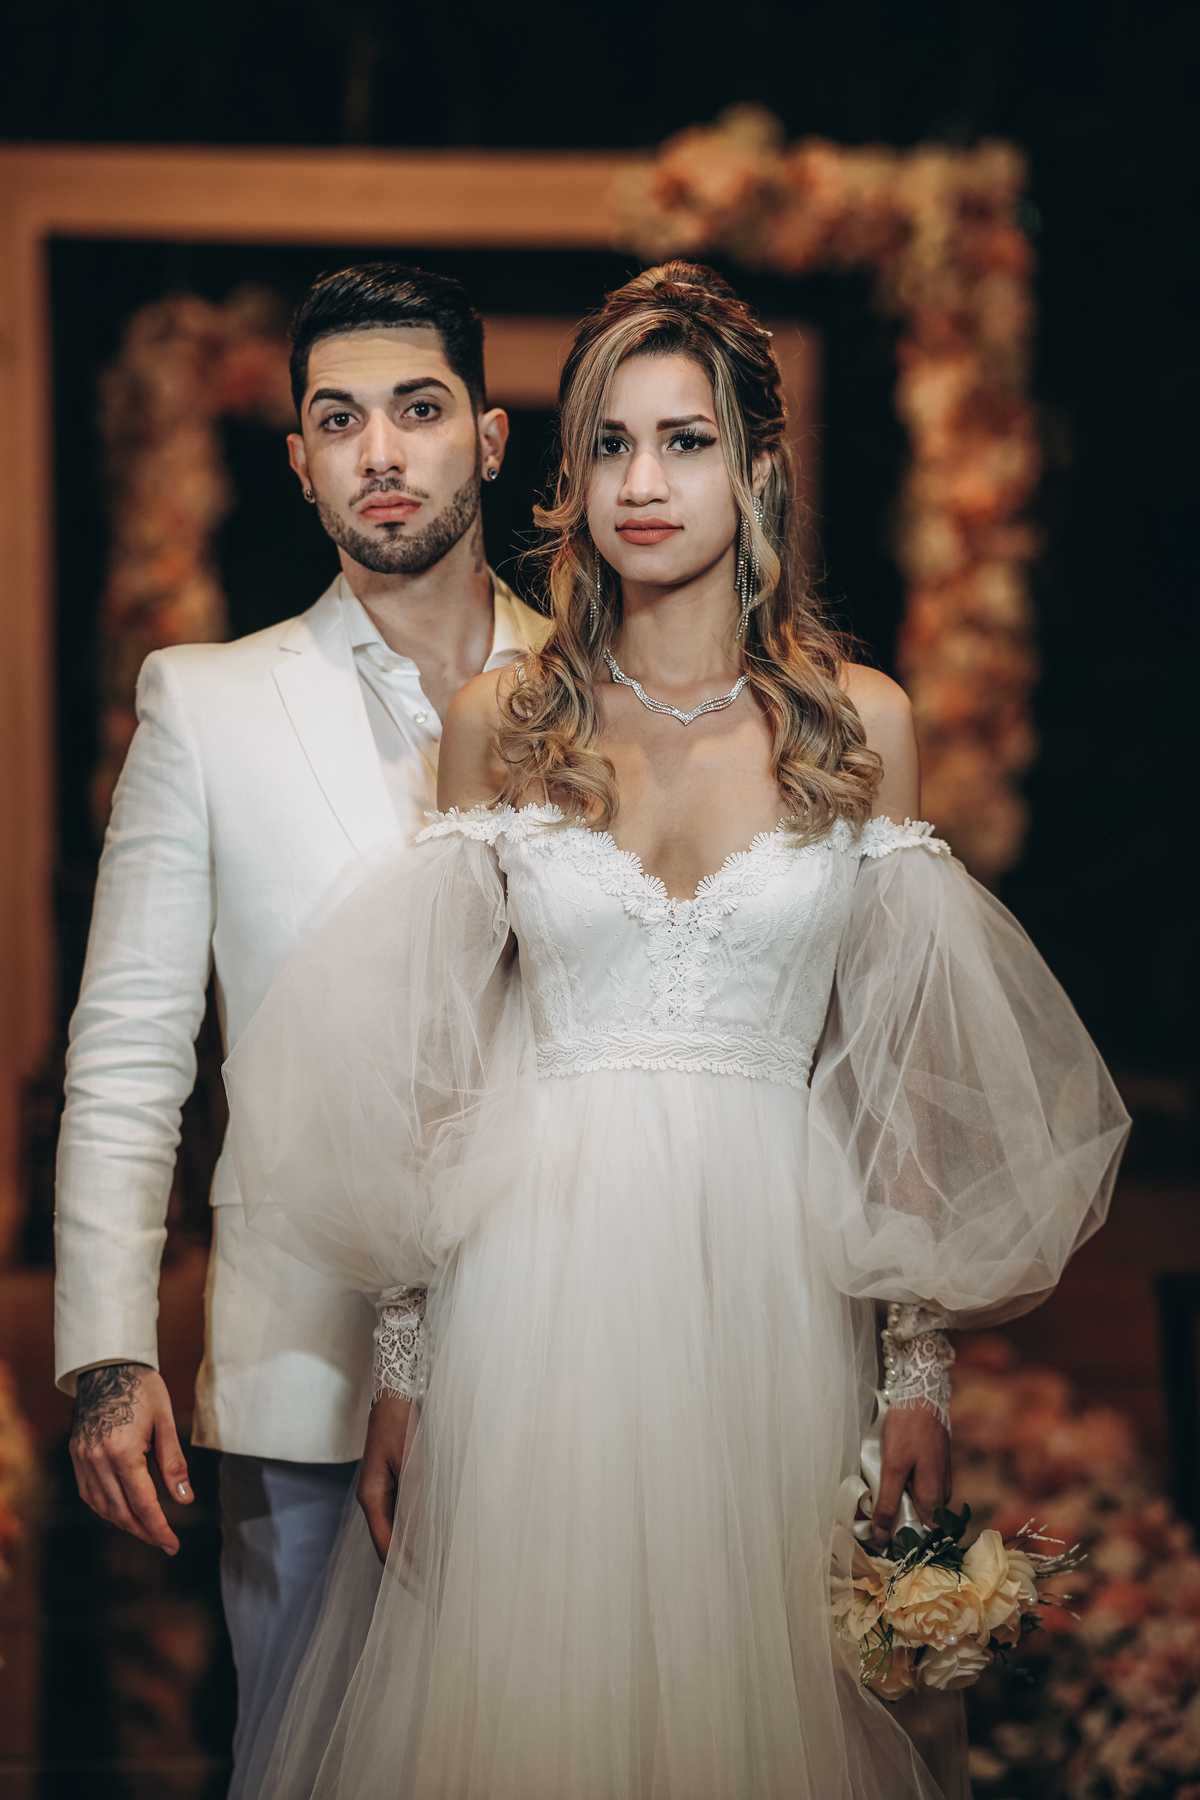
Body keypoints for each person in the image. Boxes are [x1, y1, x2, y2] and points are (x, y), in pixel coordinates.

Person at [224, 263, 1129, 1799]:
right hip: (534, 1295)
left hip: (775, 1288)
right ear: (570, 479)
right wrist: (406, 1361)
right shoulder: (503, 723)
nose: (643, 483)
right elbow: (442, 1062)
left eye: (686, 441)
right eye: (610, 445)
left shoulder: (861, 725)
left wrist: (918, 1368)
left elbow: (898, 1064)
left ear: (759, 469)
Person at [54, 262, 550, 1794]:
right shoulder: (207, 704)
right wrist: (108, 1350)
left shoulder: (603, 697)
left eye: (418, 409)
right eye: (339, 420)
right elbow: (130, 1045)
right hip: (304, 1373)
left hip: (574, 1343)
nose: (380, 451)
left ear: (490, 437)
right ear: (298, 460)